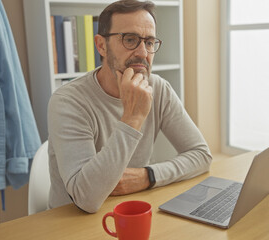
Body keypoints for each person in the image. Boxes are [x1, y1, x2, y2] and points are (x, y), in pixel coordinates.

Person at [47, 0, 212, 213]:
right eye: (130, 39)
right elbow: (85, 198)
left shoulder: (158, 88)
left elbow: (201, 155)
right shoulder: (68, 101)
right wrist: (132, 118)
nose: (143, 53)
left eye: (150, 42)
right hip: (71, 222)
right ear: (101, 45)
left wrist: (147, 176)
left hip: (132, 210)